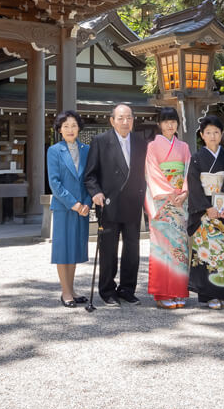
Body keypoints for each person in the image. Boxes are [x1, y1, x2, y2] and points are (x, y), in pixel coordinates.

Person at [84, 103, 148, 306]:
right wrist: (96, 193)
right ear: (112, 120)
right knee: (108, 250)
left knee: (132, 249)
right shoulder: (101, 141)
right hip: (109, 203)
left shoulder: (141, 142)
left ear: (133, 120)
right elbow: (90, 175)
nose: (125, 121)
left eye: (129, 117)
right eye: (120, 118)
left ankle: (128, 289)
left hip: (133, 202)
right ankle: (107, 290)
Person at [144, 106, 191, 308]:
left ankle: (178, 291)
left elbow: (189, 171)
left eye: (173, 121)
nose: (170, 124)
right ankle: (163, 293)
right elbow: (151, 172)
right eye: (165, 121)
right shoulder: (153, 147)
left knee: (179, 247)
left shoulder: (184, 147)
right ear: (159, 124)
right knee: (162, 247)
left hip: (180, 201)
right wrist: (170, 192)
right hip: (162, 202)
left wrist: (185, 192)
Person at [187, 115, 224, 309]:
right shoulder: (197, 158)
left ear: (222, 134)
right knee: (206, 254)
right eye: (208, 132)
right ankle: (209, 296)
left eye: (216, 132)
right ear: (202, 135)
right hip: (205, 212)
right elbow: (194, 184)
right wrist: (207, 207)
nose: (213, 136)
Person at [47, 110, 92, 307]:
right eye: (66, 126)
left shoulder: (86, 150)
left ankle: (72, 289)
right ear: (59, 129)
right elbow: (54, 183)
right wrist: (73, 203)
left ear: (79, 127)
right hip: (65, 207)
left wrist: (87, 203)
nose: (70, 129)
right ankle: (65, 292)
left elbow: (92, 178)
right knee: (62, 249)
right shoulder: (54, 151)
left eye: (73, 125)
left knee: (74, 248)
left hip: (82, 207)